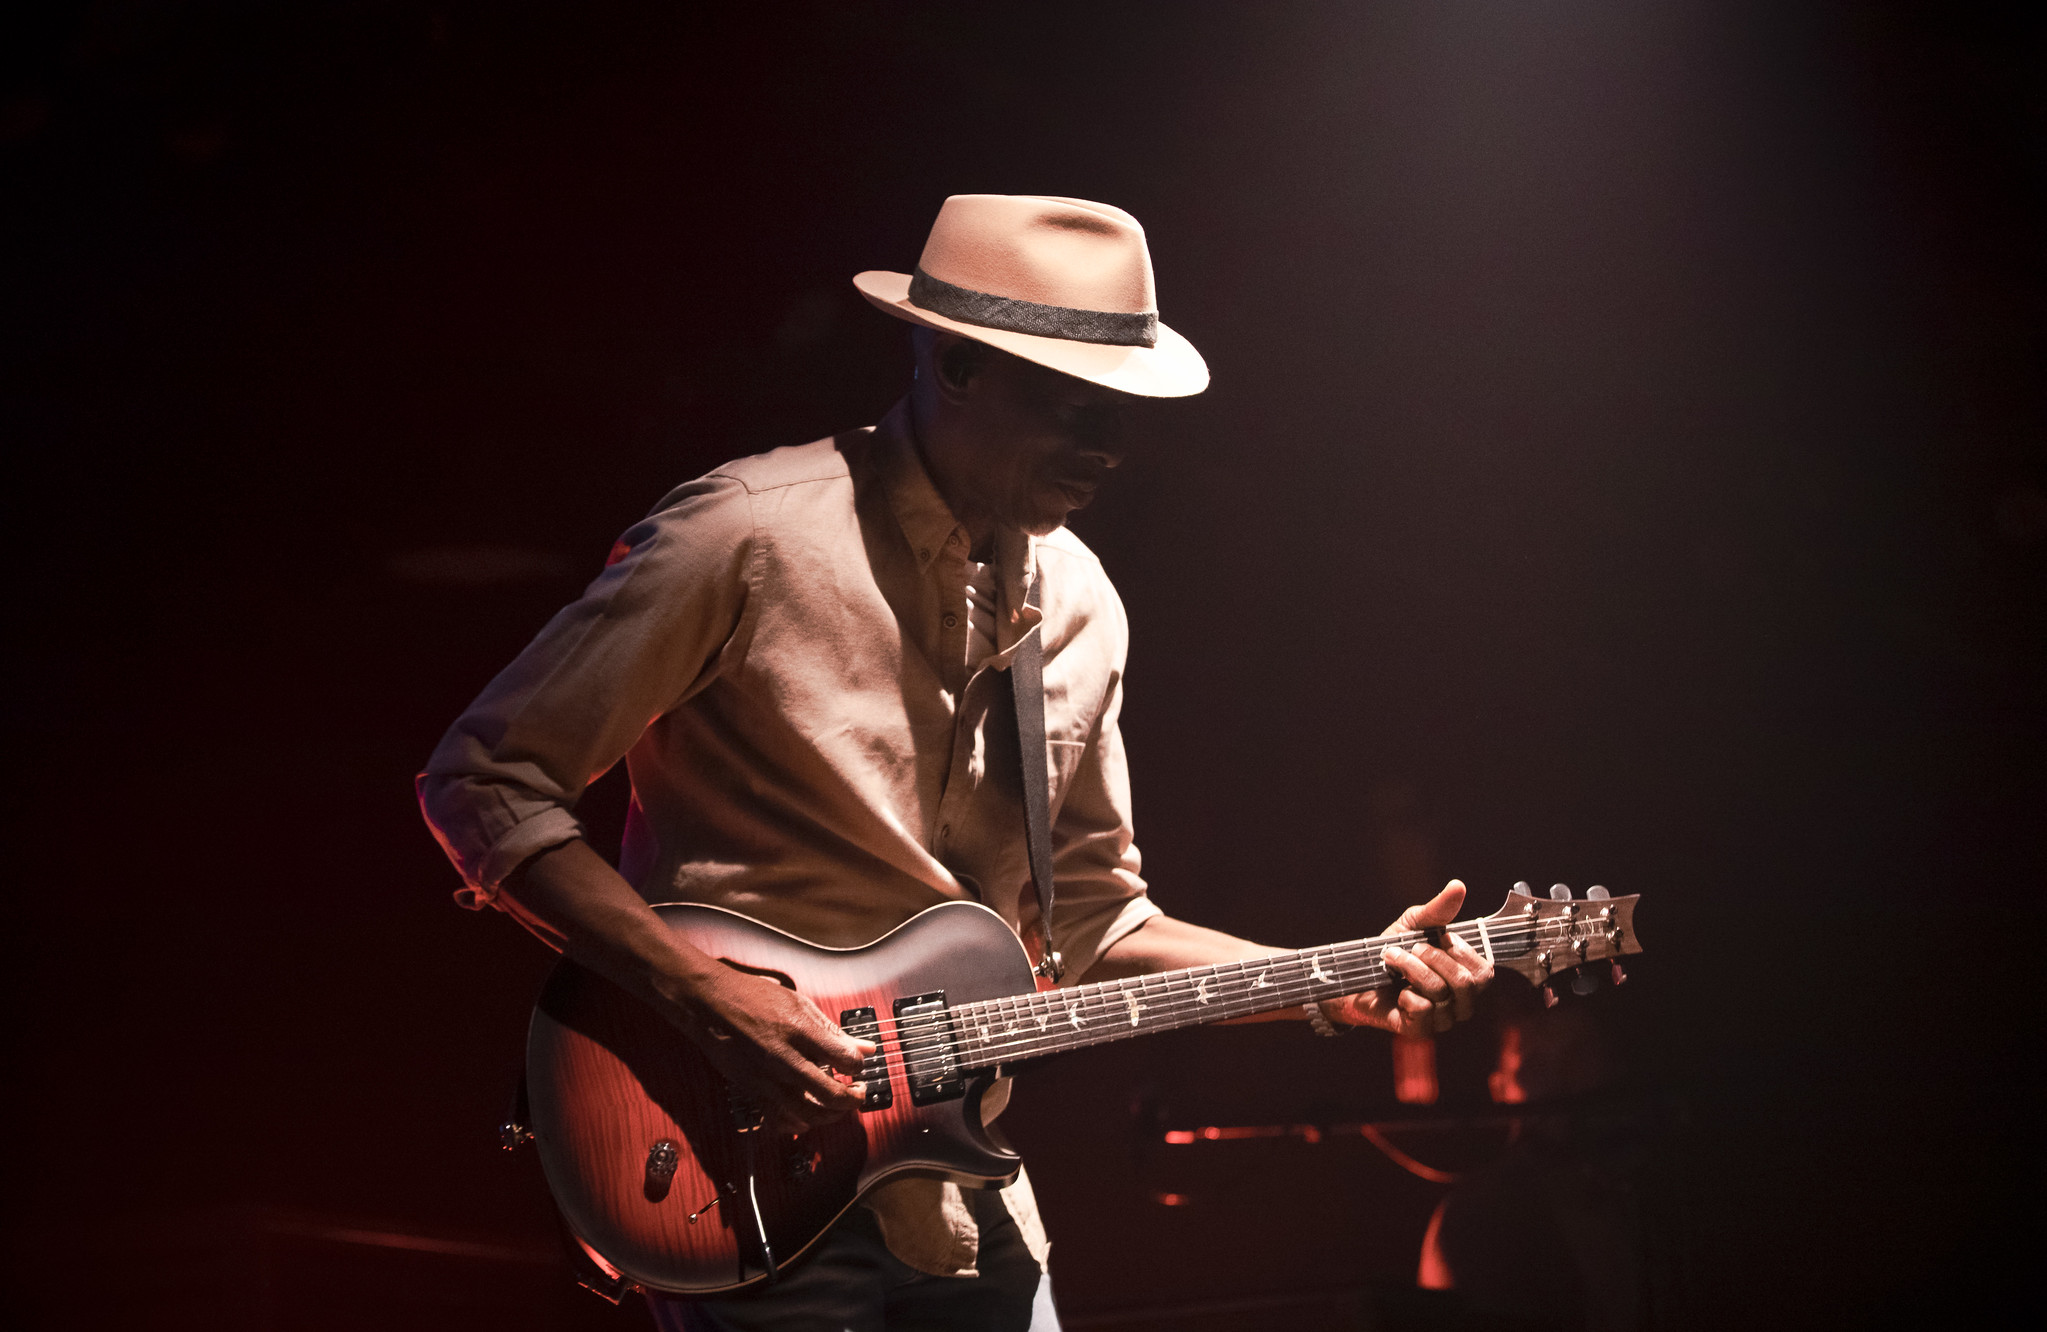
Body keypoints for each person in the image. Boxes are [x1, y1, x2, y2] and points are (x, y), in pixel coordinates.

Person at [418, 194, 1495, 1332]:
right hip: (735, 1164)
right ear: (956, 365)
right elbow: (485, 781)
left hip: (958, 1188)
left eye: (1123, 411)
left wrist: (1338, 985)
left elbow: (1095, 923)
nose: (1109, 444)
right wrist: (705, 995)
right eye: (1073, 403)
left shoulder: (1080, 602)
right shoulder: (746, 535)